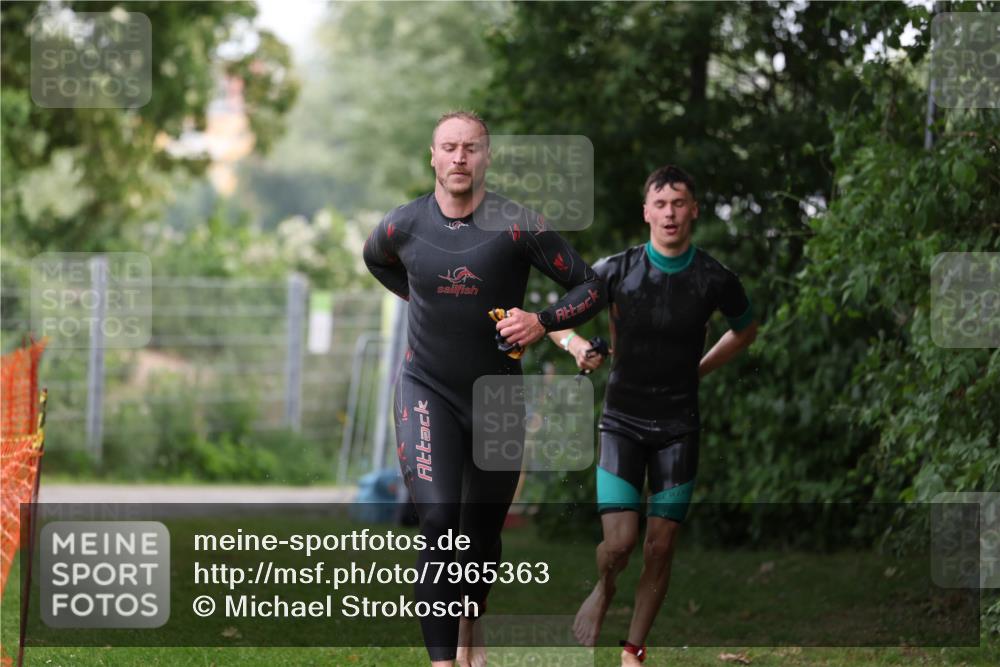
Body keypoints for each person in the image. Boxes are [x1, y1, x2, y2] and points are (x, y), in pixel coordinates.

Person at [363, 110, 606, 667]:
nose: (459, 158)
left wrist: (542, 322)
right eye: (449, 147)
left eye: (471, 148)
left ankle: (472, 635)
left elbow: (591, 285)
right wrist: (421, 300)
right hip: (427, 389)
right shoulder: (403, 226)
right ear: (432, 155)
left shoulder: (518, 226)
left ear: (486, 157)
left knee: (480, 535)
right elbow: (374, 259)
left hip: (497, 400)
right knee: (441, 523)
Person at [548, 165, 758, 666]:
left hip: (679, 428)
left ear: (694, 210)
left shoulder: (714, 278)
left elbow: (745, 329)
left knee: (661, 548)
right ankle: (604, 588)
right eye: (660, 204)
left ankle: (633, 651)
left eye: (679, 203)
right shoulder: (615, 271)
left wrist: (699, 370)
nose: (670, 213)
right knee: (619, 545)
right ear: (646, 212)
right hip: (622, 422)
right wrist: (578, 346)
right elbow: (555, 321)